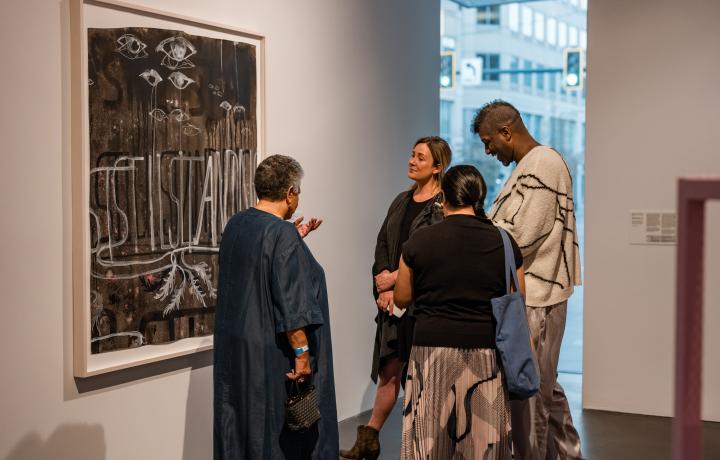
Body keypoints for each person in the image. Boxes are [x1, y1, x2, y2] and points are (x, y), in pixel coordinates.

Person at [472, 99, 583, 460]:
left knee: (532, 393)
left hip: (538, 295)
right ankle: (568, 454)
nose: (489, 151)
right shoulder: (532, 165)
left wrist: (474, 238)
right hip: (534, 294)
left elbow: (522, 235)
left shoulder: (542, 164)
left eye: (490, 142)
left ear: (507, 133)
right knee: (544, 387)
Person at [394, 165, 525, 459]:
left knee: (428, 443)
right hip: (485, 352)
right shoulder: (504, 242)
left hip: (430, 352)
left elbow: (402, 298)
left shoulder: (419, 241)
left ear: (444, 198)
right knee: (483, 443)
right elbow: (518, 297)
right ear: (479, 197)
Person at [213, 154, 338, 460]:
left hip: (236, 350)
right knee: (275, 436)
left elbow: (257, 269)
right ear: (290, 193)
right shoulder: (280, 233)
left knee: (239, 430)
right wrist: (302, 357)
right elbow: (291, 304)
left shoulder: (238, 223)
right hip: (272, 354)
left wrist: (291, 240)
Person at [340, 137, 451, 460]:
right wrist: (385, 286)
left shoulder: (443, 207)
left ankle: (423, 445)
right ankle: (369, 438)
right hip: (393, 305)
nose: (411, 161)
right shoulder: (401, 200)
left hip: (422, 306)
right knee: (390, 371)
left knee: (421, 378)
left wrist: (398, 282)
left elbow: (432, 258)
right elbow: (383, 245)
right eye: (412, 154)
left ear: (437, 167)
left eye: (420, 157)